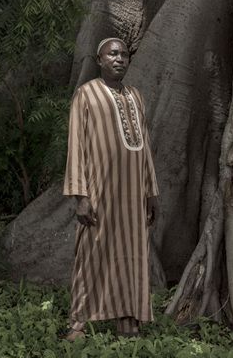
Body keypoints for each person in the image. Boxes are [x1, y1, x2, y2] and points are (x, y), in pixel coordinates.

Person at [60, 37, 160, 341]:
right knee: (92, 253)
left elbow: (144, 148)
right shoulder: (86, 94)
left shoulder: (136, 97)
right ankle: (78, 323)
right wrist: (81, 196)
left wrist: (151, 191)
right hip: (99, 193)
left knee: (133, 255)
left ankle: (128, 321)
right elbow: (76, 144)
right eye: (112, 54)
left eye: (124, 54)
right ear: (100, 60)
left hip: (133, 196)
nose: (119, 59)